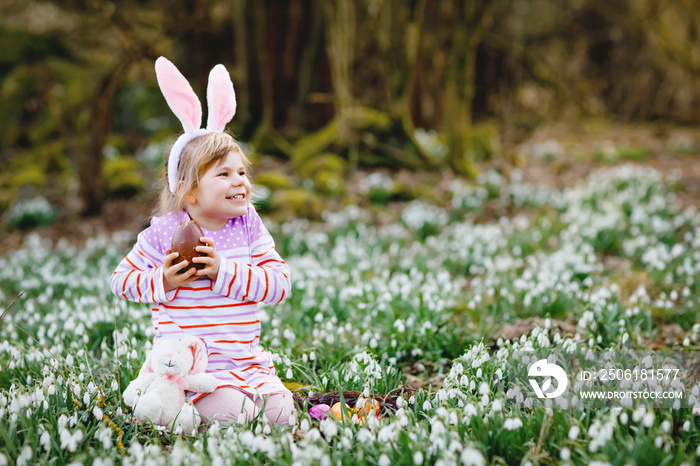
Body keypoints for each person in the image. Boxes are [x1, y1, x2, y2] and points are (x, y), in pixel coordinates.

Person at [110, 57, 295, 426]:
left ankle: (230, 410)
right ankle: (172, 408)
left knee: (282, 416)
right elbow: (120, 282)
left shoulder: (248, 226)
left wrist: (223, 271)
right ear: (189, 191)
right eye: (224, 174)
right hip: (193, 371)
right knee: (237, 416)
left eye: (241, 172)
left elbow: (279, 285)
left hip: (246, 363)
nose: (240, 181)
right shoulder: (164, 232)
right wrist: (163, 280)